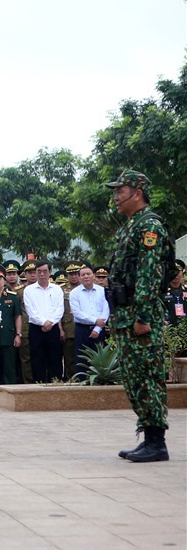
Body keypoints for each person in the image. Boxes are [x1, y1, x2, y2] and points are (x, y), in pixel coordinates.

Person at [107, 169, 173, 462]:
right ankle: (148, 437)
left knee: (148, 377)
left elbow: (149, 273)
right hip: (126, 313)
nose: (116, 197)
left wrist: (143, 317)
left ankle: (156, 443)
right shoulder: (131, 225)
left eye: (120, 191)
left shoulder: (149, 226)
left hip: (139, 314)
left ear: (137, 192)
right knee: (134, 378)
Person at [23, 260, 65, 383]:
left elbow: (59, 309)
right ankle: (39, 384)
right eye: (39, 271)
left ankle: (55, 383)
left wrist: (50, 322)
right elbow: (30, 310)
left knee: (55, 357)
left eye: (45, 271)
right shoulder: (29, 290)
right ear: (35, 273)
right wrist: (43, 322)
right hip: (36, 328)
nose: (42, 274)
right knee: (37, 358)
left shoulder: (57, 289)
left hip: (53, 328)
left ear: (50, 272)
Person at [69, 264, 110, 378]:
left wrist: (97, 328)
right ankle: (83, 383)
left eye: (88, 274)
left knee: (100, 360)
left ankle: (99, 383)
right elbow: (77, 312)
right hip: (82, 329)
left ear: (94, 276)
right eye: (83, 275)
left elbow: (106, 310)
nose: (86, 276)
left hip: (100, 330)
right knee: (82, 359)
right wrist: (95, 320)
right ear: (79, 277)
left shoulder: (103, 291)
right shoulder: (74, 293)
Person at [164, 259, 185, 330]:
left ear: (182, 272)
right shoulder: (162, 292)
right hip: (168, 330)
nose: (176, 275)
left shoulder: (185, 290)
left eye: (178, 271)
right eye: (173, 272)